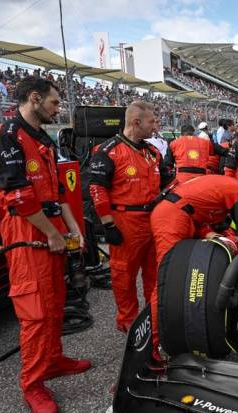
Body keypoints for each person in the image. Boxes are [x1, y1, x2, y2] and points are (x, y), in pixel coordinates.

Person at [0, 77, 91, 413]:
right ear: (34, 99)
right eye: (55, 103)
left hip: (51, 225)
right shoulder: (6, 138)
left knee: (57, 300)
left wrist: (73, 228)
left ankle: (53, 360)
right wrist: (53, 234)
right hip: (27, 229)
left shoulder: (43, 138)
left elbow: (57, 193)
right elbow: (18, 197)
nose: (58, 110)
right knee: (35, 311)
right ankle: (32, 383)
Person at [149, 175, 238, 355]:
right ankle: (153, 343)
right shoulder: (237, 190)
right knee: (168, 279)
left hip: (185, 216)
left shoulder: (222, 187)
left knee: (182, 276)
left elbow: (211, 219)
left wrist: (218, 237)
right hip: (172, 218)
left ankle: (181, 329)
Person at [89, 101, 173, 333]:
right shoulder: (108, 151)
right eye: (151, 122)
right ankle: (128, 320)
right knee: (123, 274)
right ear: (136, 122)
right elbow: (96, 188)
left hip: (154, 219)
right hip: (125, 222)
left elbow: (168, 183)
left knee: (154, 272)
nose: (155, 127)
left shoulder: (152, 152)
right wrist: (108, 224)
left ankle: (154, 315)